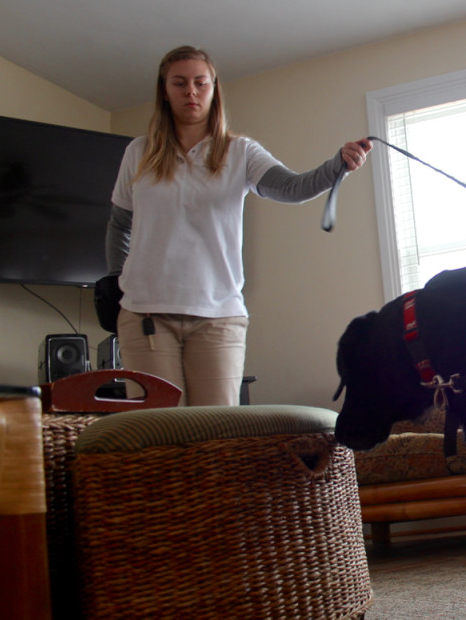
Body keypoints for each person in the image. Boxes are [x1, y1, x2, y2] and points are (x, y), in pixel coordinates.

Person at [104, 45, 371, 406]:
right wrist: (117, 280)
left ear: (214, 88)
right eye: (179, 83)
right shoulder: (139, 152)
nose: (191, 92)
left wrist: (336, 165)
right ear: (164, 90)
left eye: (200, 82)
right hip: (145, 316)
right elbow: (120, 225)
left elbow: (292, 188)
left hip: (218, 318)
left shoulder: (241, 152)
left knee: (217, 435)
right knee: (159, 436)